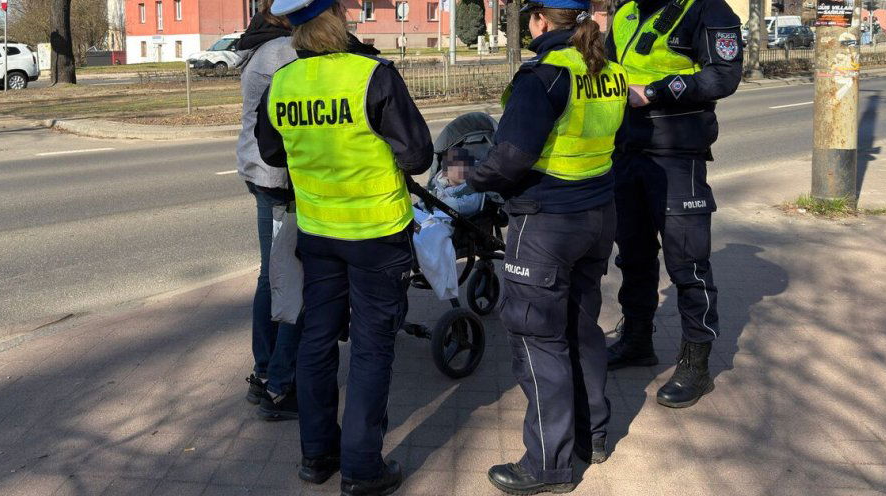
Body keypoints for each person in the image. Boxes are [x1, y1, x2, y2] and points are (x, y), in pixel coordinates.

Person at [254, 0, 433, 494]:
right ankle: (361, 470)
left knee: (316, 341)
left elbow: (271, 151)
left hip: (318, 234)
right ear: (337, 18)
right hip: (376, 235)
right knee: (373, 349)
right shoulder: (372, 75)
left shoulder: (283, 82)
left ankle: (316, 456)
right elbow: (418, 155)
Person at [467, 1, 628, 493]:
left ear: (539, 21)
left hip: (546, 223)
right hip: (598, 213)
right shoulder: (609, 70)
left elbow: (510, 157)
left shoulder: (545, 76)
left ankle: (546, 466)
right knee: (581, 329)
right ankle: (591, 437)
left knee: (538, 339)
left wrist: (471, 177)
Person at [604, 0, 743, 408]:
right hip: (626, 149)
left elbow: (724, 75)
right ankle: (636, 341)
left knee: (688, 263)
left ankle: (696, 364)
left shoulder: (709, 10)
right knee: (633, 254)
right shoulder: (627, 11)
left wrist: (655, 92)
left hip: (677, 154)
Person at [235, 1, 301, 421]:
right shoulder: (282, 52)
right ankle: (279, 383)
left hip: (258, 170)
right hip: (279, 177)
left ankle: (264, 371)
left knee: (270, 275)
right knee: (290, 279)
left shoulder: (260, 43)